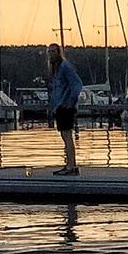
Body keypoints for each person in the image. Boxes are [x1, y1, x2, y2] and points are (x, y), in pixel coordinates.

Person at [48, 43, 83, 176]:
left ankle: (71, 166)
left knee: (67, 136)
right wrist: (52, 107)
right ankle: (70, 164)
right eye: (49, 52)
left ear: (59, 52)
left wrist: (70, 102)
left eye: (53, 51)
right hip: (59, 107)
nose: (51, 54)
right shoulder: (56, 69)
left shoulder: (65, 66)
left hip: (66, 107)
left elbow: (77, 84)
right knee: (65, 136)